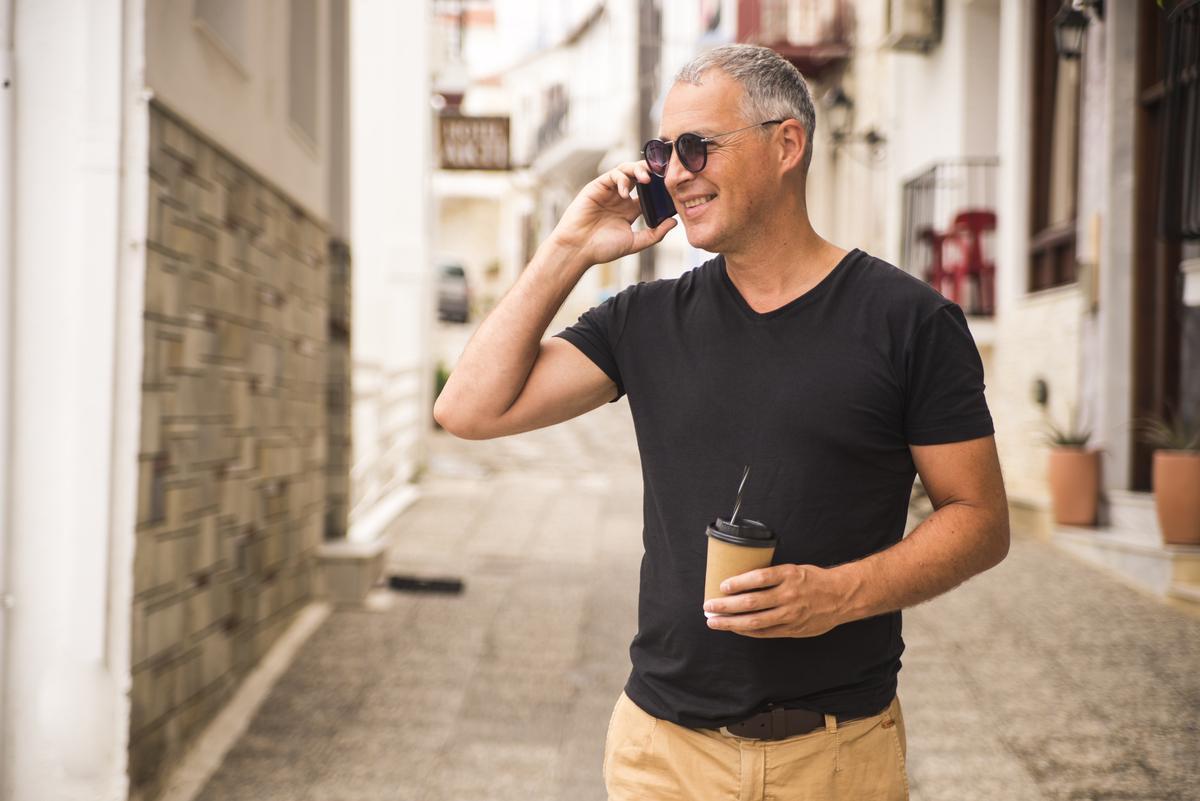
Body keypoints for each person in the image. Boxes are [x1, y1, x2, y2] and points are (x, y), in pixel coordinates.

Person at [434, 44, 1009, 801]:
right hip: (662, 757)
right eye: (662, 152)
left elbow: (980, 519)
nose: (674, 172)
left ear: (787, 144)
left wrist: (838, 594)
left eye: (697, 147)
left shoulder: (909, 321)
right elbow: (468, 409)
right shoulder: (644, 321)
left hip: (838, 760)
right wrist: (570, 247)